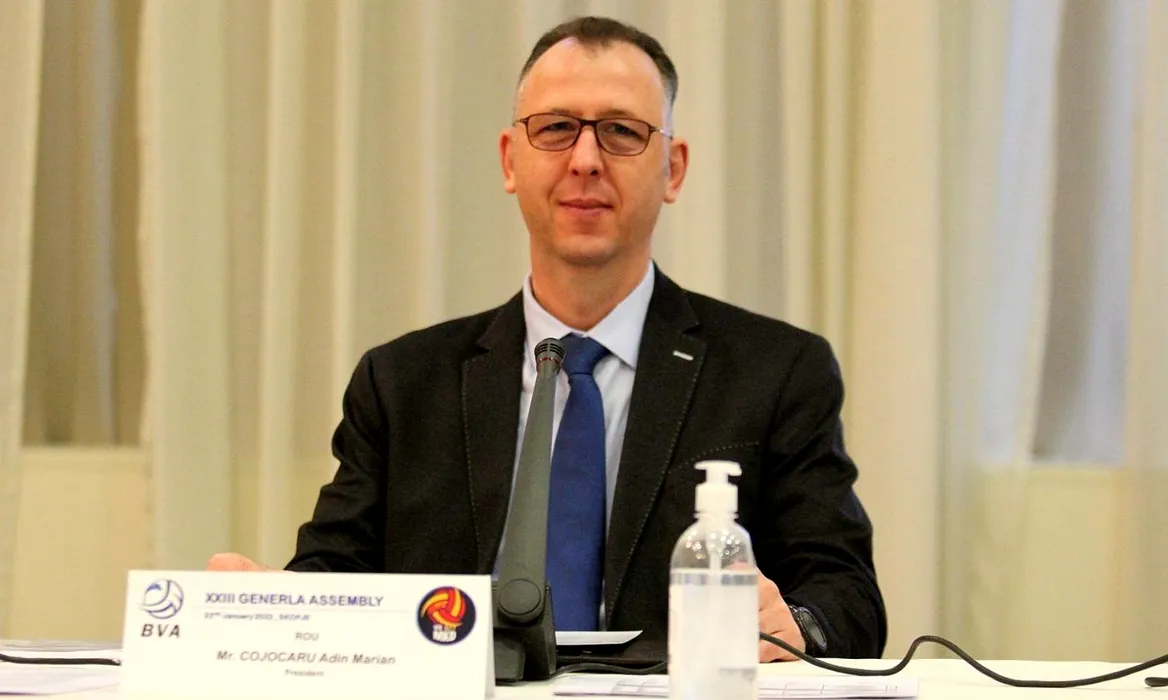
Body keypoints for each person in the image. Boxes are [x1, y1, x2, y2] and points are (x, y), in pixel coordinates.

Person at [208, 15, 886, 662]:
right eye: (557, 128)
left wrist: (796, 624)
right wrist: (274, 610)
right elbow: (335, 578)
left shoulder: (776, 372)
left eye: (621, 131)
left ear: (673, 169)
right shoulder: (402, 383)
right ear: (510, 160)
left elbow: (848, 596)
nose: (586, 160)